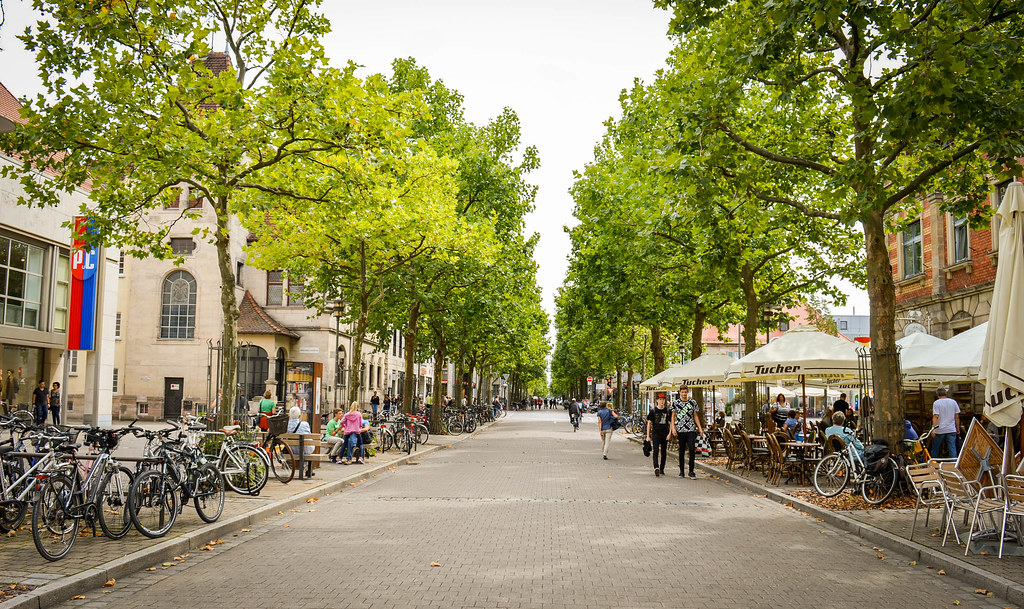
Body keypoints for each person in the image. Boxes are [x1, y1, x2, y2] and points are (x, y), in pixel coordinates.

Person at [673, 386, 703, 479]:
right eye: (682, 392)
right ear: (680, 392)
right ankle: (681, 471)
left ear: (688, 392)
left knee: (691, 449)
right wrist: (673, 428)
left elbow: (695, 415)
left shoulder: (692, 402)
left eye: (685, 392)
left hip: (691, 429)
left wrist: (700, 428)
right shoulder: (676, 403)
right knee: (681, 450)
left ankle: (691, 471)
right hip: (680, 429)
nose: (684, 394)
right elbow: (673, 416)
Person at [646, 392, 672, 476]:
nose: (662, 401)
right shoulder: (653, 411)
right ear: (657, 400)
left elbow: (670, 423)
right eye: (660, 399)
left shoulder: (667, 411)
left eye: (663, 399)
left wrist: (670, 434)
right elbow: (649, 423)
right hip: (656, 433)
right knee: (656, 450)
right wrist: (648, 436)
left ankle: (662, 468)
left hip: (664, 433)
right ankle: (656, 467)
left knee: (664, 452)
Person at [931, 387, 961, 459]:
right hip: (951, 429)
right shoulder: (953, 402)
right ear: (946, 394)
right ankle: (953, 465)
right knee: (952, 448)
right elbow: (957, 417)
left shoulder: (936, 403)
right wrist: (957, 428)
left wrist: (933, 428)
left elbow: (936, 416)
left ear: (937, 394)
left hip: (939, 430)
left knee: (935, 448)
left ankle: (934, 465)